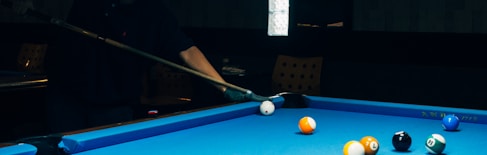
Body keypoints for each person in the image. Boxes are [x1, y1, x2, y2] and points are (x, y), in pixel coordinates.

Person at [6, 0, 268, 133]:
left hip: (115, 105)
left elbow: (187, 50)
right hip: (66, 98)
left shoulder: (154, 13)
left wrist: (224, 88)